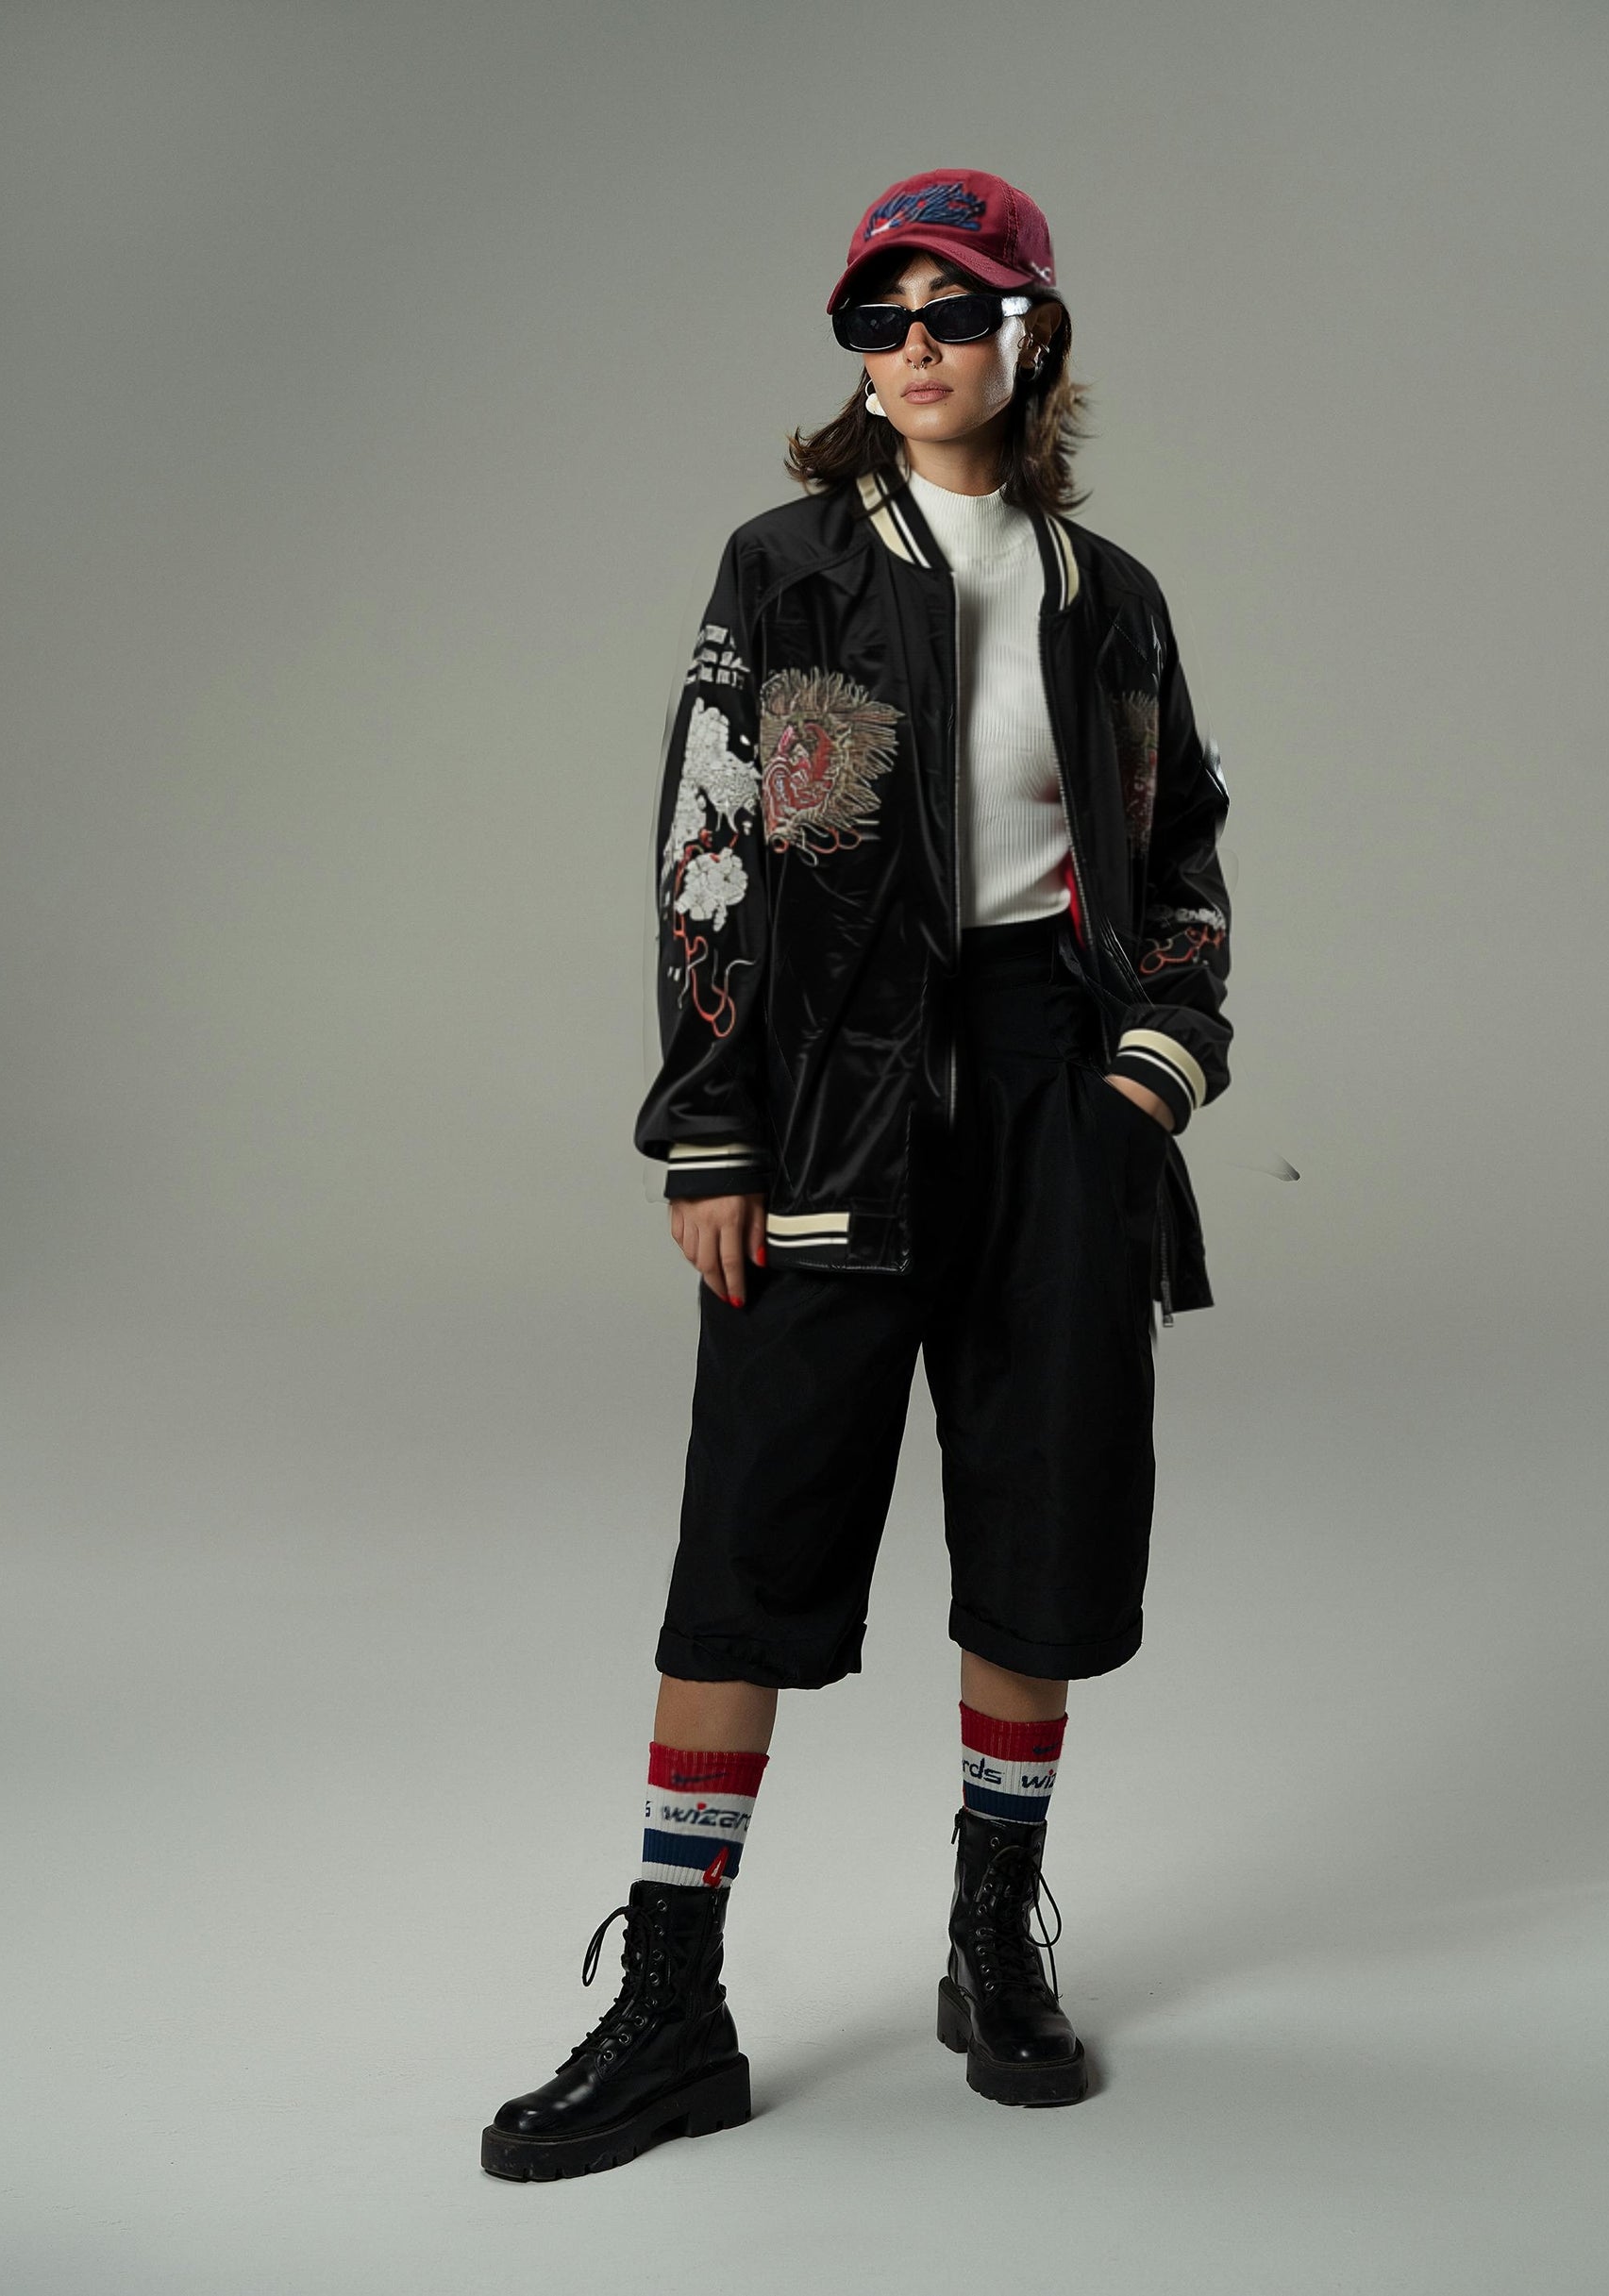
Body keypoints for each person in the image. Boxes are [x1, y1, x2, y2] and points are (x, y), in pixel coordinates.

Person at [481, 167, 1232, 2181]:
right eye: (877, 319)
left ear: (1027, 337)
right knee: (752, 1535)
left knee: (1043, 1512)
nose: (910, 348)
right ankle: (672, 2001)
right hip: (829, 1087)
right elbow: (711, 847)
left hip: (1052, 1088)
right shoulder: (789, 567)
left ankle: (991, 1938)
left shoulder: (1108, 596)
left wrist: (1150, 1071)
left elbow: (1176, 847)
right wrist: (710, 1124)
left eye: (949, 312)